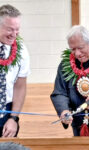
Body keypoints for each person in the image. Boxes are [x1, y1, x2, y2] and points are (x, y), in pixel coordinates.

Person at [0, 4, 30, 137]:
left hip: (6, 111)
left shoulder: (21, 49)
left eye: (17, 30)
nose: (14, 34)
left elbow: (20, 86)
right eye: (10, 29)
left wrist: (14, 119)